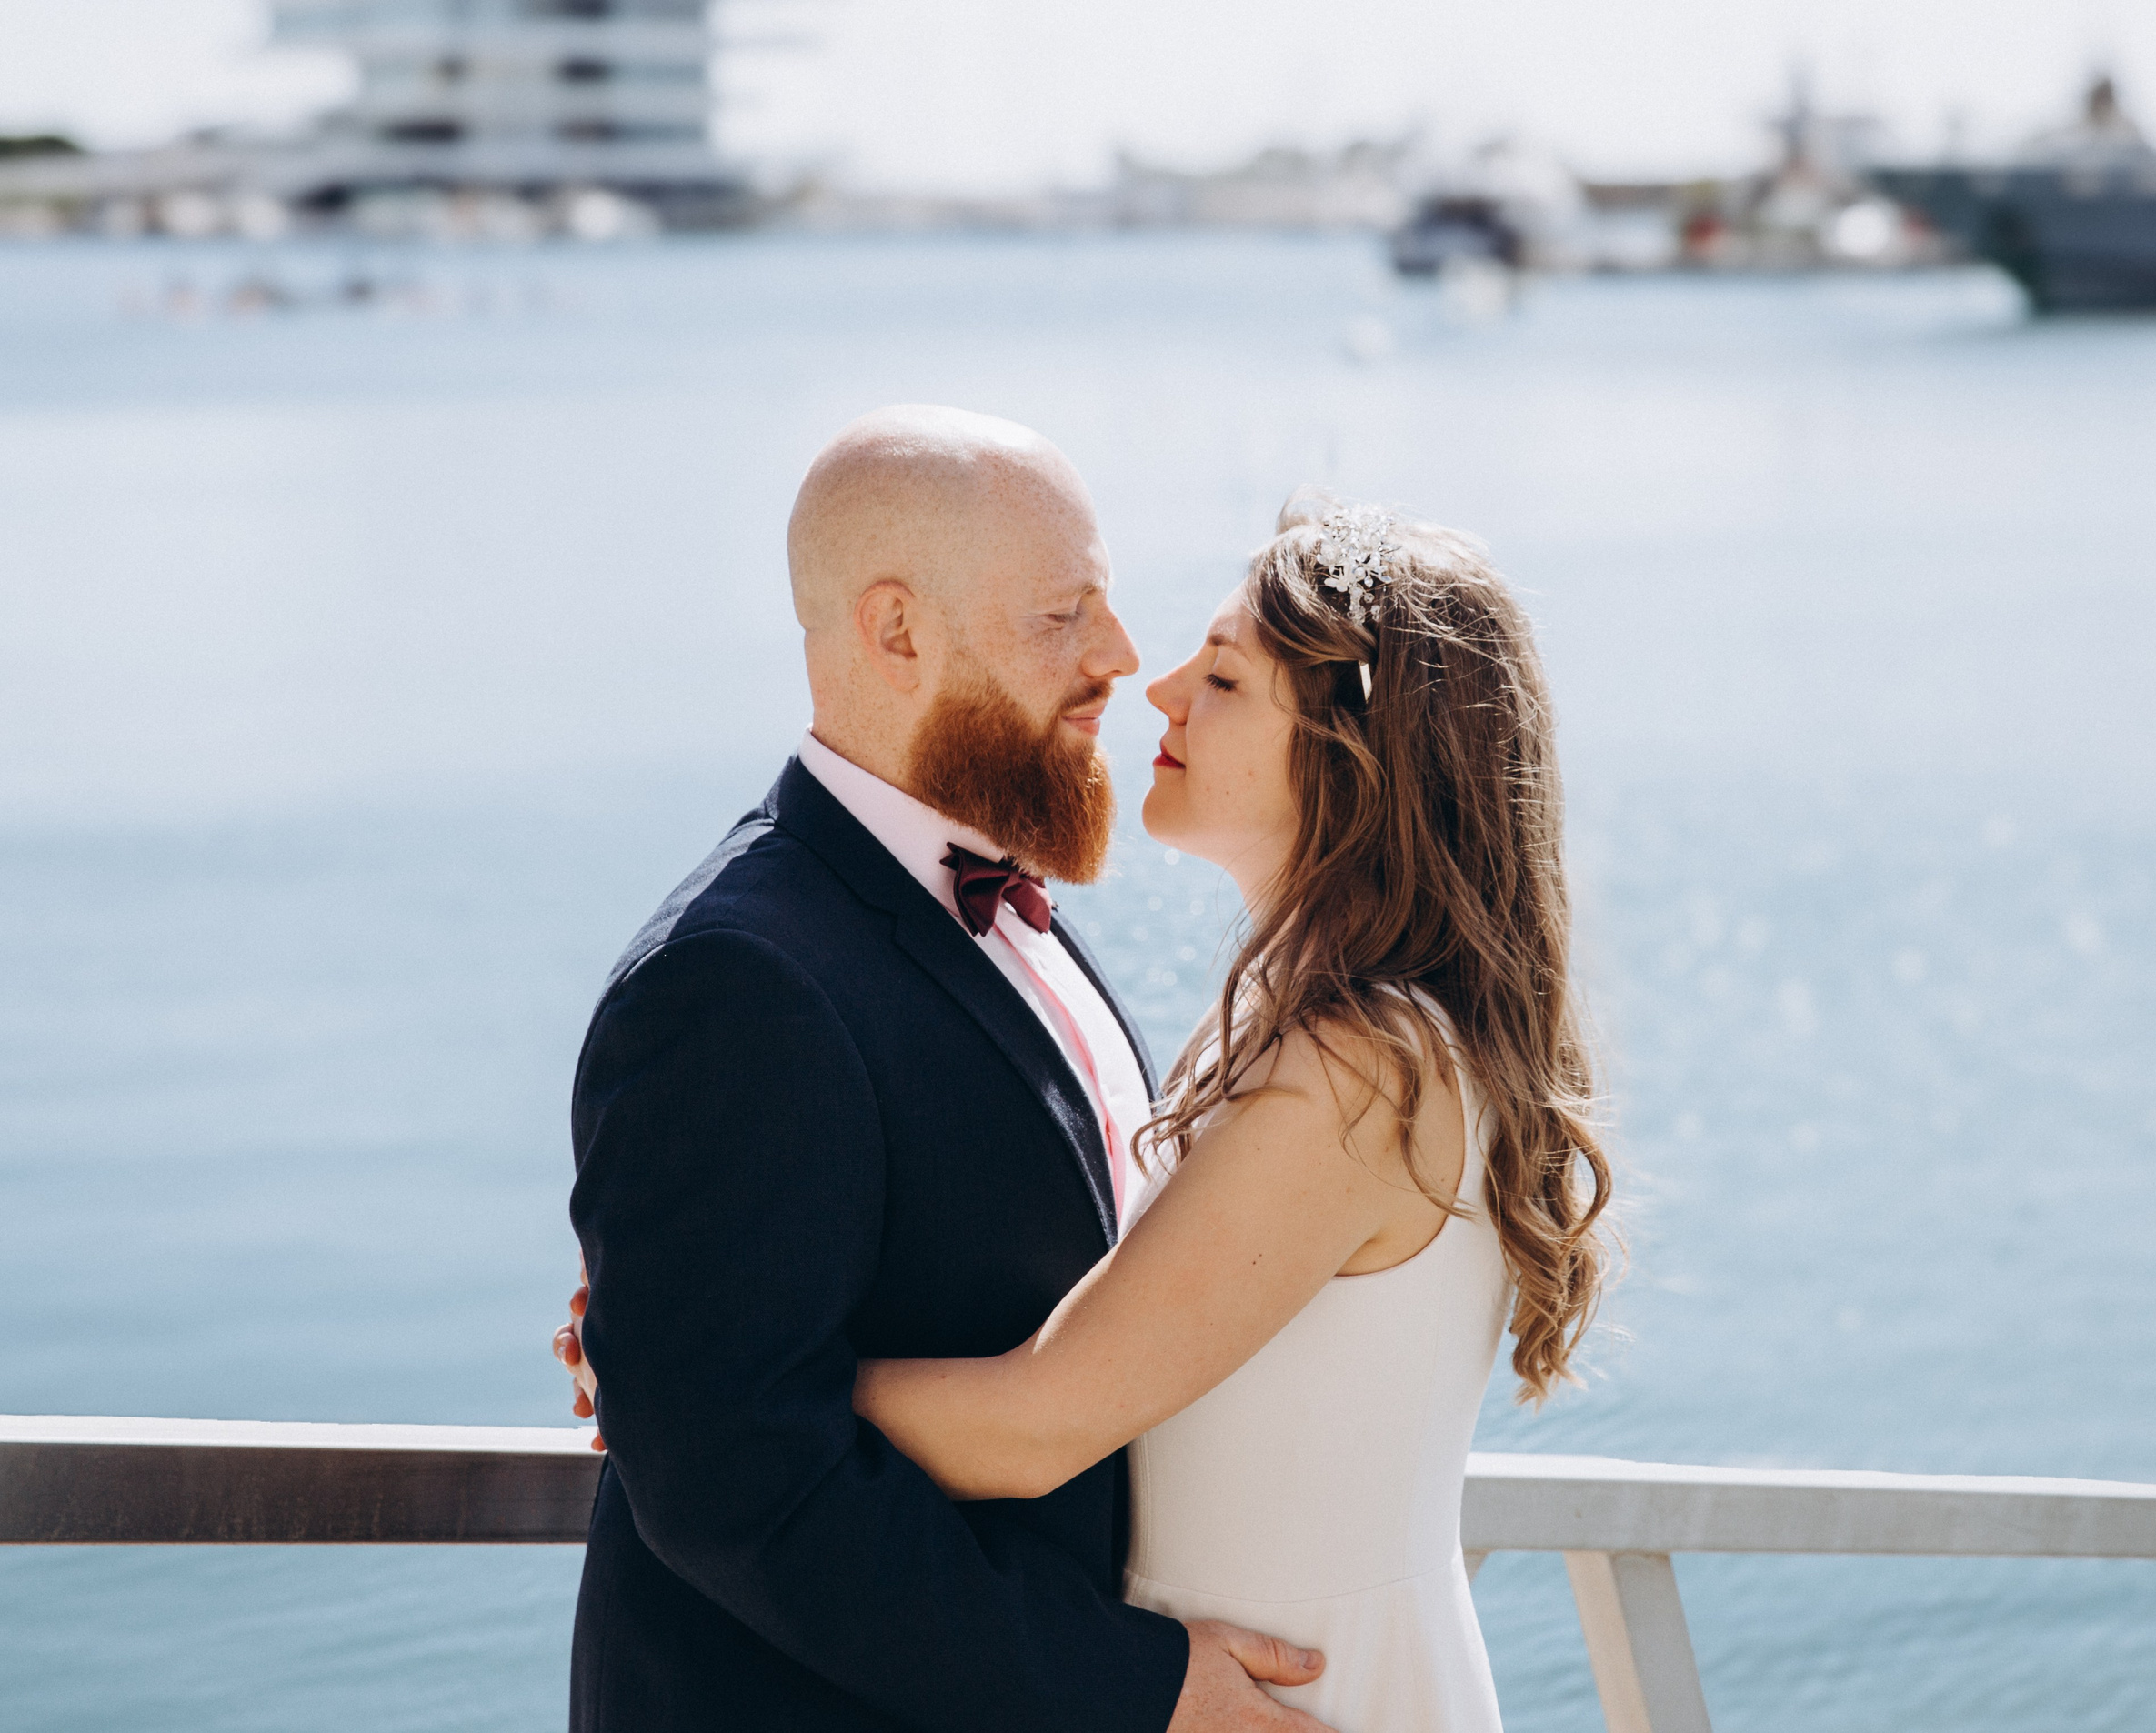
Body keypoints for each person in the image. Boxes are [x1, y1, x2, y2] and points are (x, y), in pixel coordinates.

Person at [561, 445, 1616, 1730]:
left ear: (1353, 760)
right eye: (1065, 615)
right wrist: (689, 1364)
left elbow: (1044, 1405)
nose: (1131, 662)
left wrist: (667, 1368)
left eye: (1218, 672)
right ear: (896, 629)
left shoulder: (1342, 1052)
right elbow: (744, 1465)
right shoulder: (741, 976)